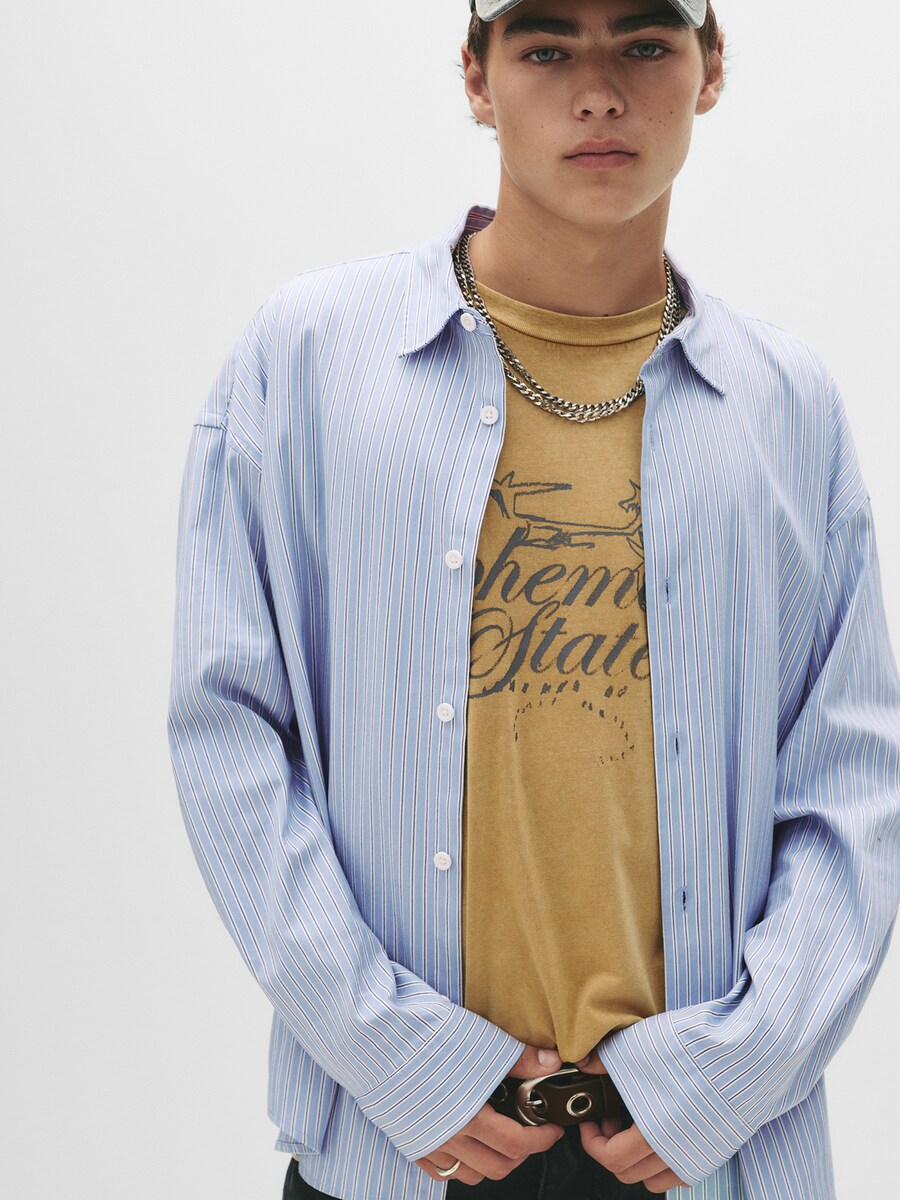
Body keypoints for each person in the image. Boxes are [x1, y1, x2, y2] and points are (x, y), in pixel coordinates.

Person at [166, 0, 900, 1197]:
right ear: (476, 76)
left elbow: (852, 786)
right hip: (401, 1146)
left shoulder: (788, 407)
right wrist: (399, 1057)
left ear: (711, 68)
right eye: (547, 47)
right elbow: (229, 734)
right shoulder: (309, 357)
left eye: (646, 44)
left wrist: (722, 1080)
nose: (598, 92)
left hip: (697, 1159)